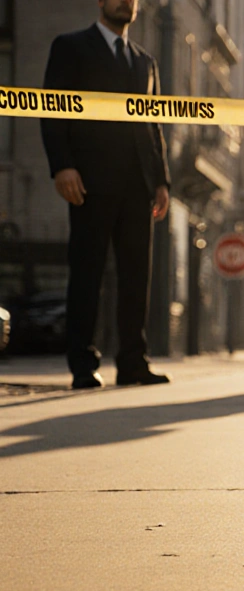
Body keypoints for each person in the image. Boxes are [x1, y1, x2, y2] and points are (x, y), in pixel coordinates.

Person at [40, 0, 171, 389]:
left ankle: (133, 362)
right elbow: (53, 108)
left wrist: (161, 181)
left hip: (138, 187)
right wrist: (62, 165)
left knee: (136, 276)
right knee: (87, 273)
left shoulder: (145, 61)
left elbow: (154, 124)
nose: (125, 2)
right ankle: (83, 364)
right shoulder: (71, 47)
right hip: (89, 182)